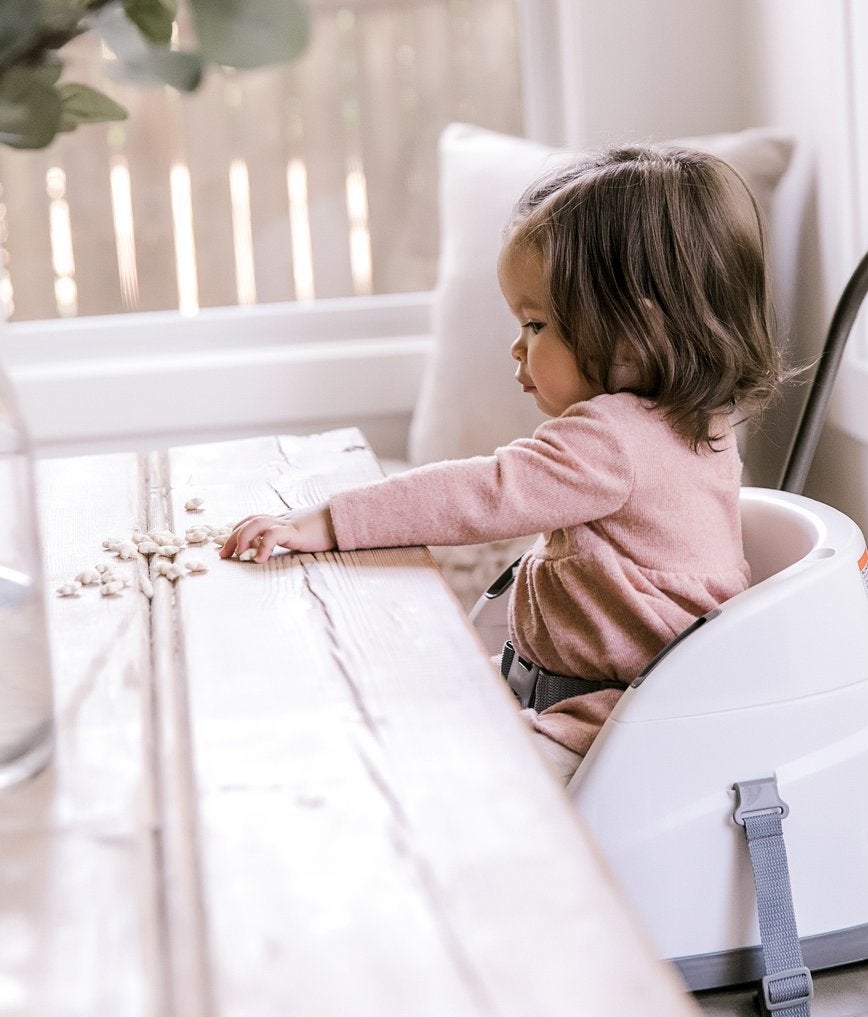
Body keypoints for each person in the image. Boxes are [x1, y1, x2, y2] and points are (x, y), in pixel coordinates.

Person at [221, 144, 786, 784]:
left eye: (537, 324)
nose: (516, 347)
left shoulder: (612, 441)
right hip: (595, 694)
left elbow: (485, 492)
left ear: (635, 337)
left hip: (614, 719)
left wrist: (328, 521)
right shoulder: (699, 422)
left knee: (431, 774)